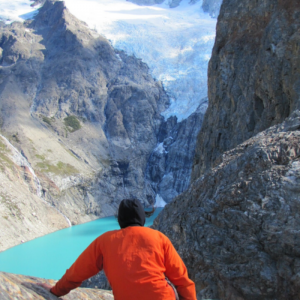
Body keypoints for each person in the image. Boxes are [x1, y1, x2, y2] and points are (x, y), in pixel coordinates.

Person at [38, 199, 196, 300]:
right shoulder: (159, 238)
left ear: (120, 220)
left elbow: (77, 271)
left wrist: (55, 292)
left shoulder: (105, 240)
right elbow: (182, 280)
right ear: (142, 218)